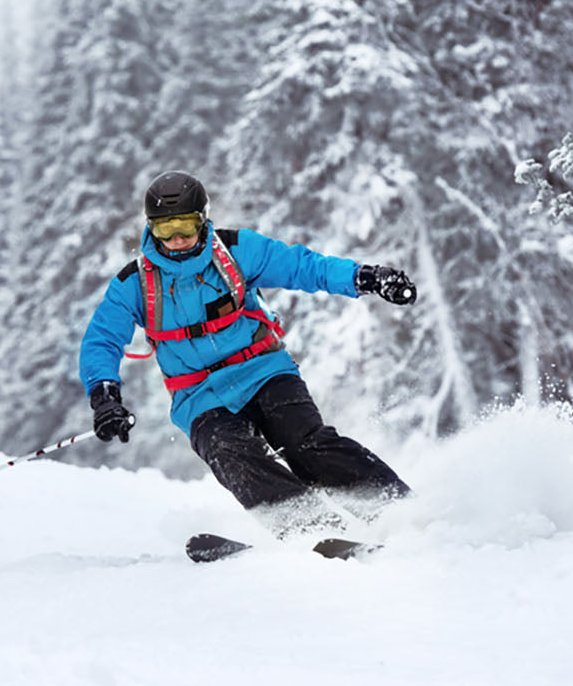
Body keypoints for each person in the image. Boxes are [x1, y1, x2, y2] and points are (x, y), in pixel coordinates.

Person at [79, 171, 417, 537]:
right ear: (151, 228)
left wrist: (364, 277)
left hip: (264, 371)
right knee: (230, 451)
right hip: (199, 395)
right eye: (165, 229)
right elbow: (102, 339)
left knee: (306, 443)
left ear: (203, 220)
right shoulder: (136, 283)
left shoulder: (237, 250)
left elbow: (304, 267)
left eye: (187, 227)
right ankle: (312, 530)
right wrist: (105, 397)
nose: (177, 239)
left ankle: (395, 509)